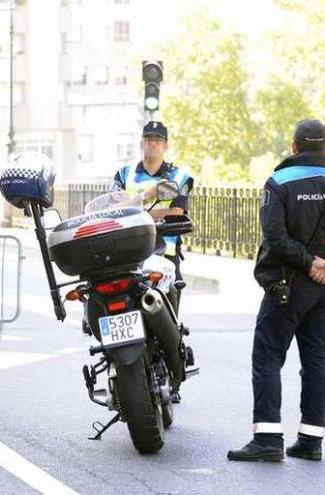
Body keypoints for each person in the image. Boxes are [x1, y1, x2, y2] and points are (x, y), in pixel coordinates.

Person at [227, 119, 325, 462]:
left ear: (294, 147)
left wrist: (309, 263)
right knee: (317, 361)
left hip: (287, 286)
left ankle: (267, 439)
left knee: (267, 357)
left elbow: (275, 237)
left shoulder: (279, 183)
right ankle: (311, 441)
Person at [112, 120, 194, 391]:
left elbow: (177, 212)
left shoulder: (179, 176)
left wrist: (137, 210)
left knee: (169, 315)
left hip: (165, 252)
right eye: (148, 139)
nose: (152, 144)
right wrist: (147, 199)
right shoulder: (124, 174)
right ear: (141, 143)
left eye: (158, 140)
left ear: (165, 145)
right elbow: (114, 208)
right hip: (127, 250)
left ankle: (174, 374)